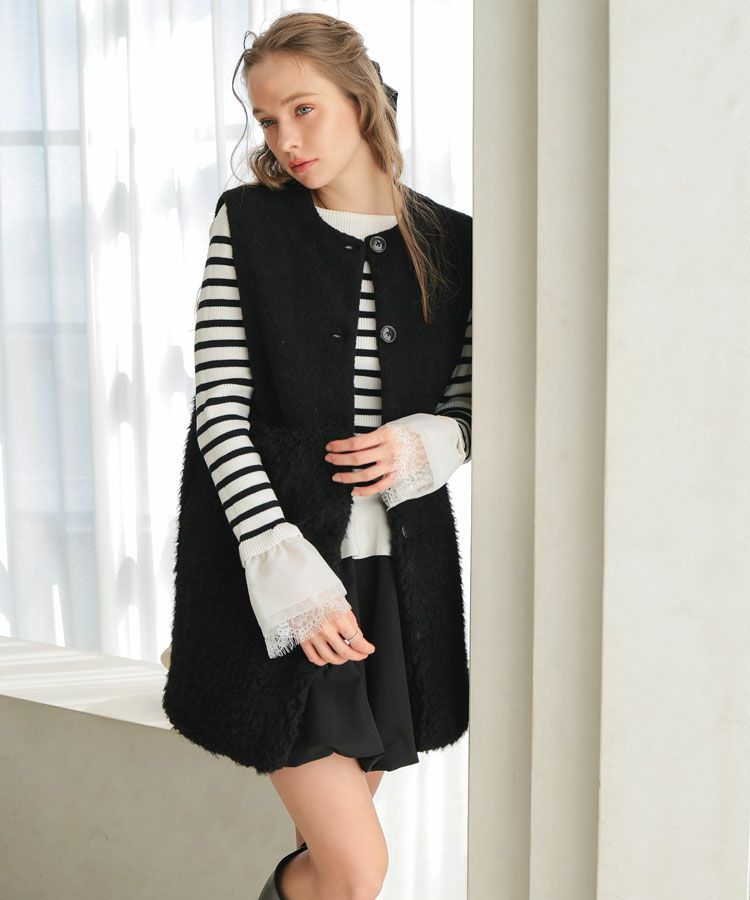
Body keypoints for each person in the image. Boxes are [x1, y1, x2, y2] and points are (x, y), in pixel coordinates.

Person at [162, 11, 472, 900]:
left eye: (304, 110)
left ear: (360, 100)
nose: (285, 140)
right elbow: (219, 411)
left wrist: (431, 441)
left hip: (392, 583)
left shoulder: (455, 242)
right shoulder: (250, 224)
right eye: (267, 121)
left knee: (329, 867)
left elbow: (473, 403)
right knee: (355, 868)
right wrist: (279, 561)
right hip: (278, 574)